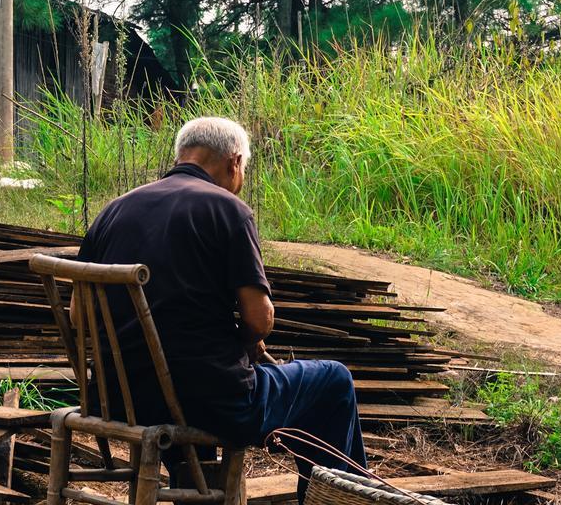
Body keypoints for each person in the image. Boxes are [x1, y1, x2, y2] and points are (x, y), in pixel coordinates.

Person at [77, 116, 365, 503]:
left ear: (182, 155)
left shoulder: (113, 211)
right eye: (243, 169)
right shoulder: (229, 210)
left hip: (116, 399)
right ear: (234, 163)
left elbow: (80, 317)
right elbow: (259, 320)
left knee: (192, 376)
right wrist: (245, 341)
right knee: (333, 382)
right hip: (213, 404)